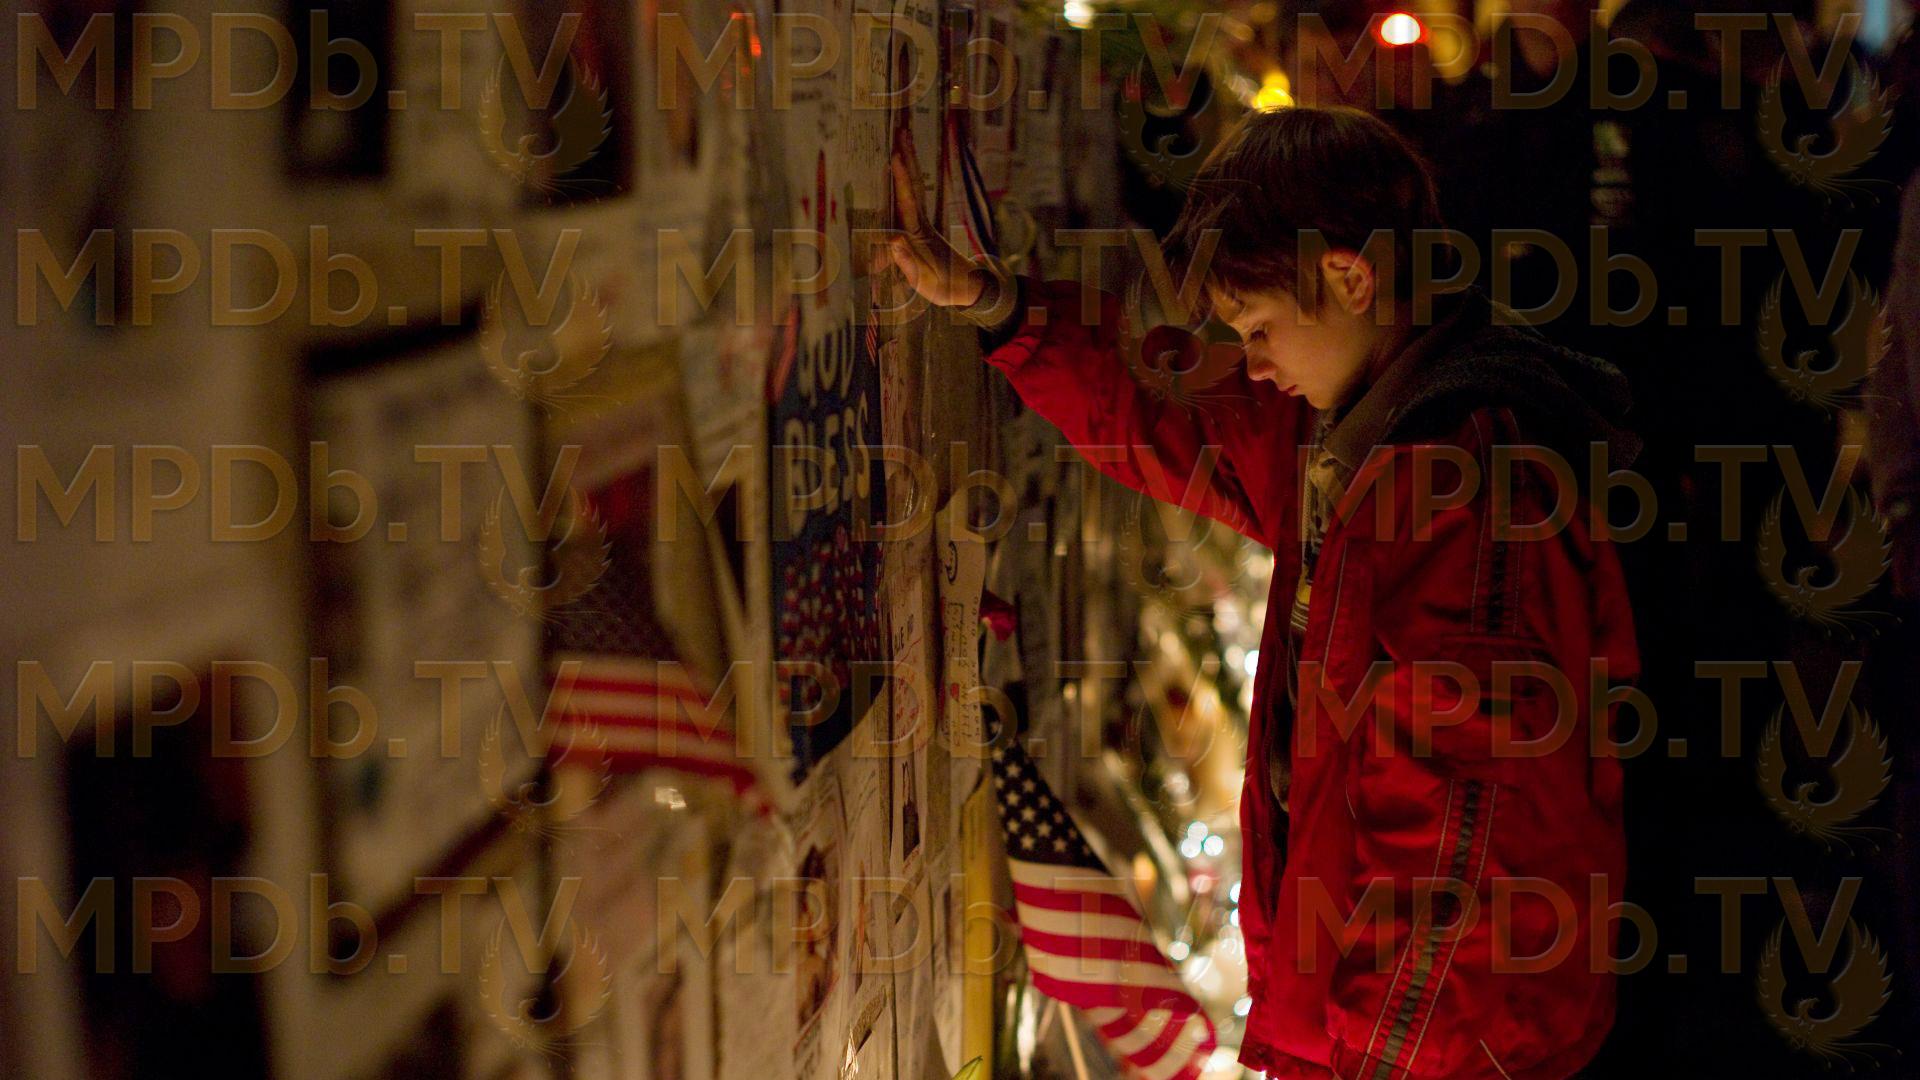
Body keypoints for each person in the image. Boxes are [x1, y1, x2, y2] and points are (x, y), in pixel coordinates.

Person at [885, 107, 1643, 1078]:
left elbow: (1463, 826)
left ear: (1349, 278)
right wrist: (1001, 310)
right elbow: (1164, 416)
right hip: (1375, 1023)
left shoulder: (1462, 489)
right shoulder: (1350, 432)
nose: (1250, 361)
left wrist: (1376, 1051)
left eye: (1259, 328)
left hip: (1438, 1045)